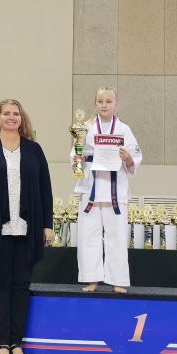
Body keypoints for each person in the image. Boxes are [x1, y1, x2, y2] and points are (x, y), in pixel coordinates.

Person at [0, 99, 54, 354]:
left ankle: (17, 343)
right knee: (0, 284)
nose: (11, 117)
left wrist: (47, 225)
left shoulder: (34, 150)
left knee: (21, 286)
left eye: (15, 113)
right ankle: (2, 344)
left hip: (28, 230)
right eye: (5, 113)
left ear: (21, 119)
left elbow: (45, 189)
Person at [70, 87, 142, 294]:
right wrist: (78, 159)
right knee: (88, 235)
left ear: (116, 104)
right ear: (95, 103)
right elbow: (76, 154)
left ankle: (117, 280)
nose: (104, 105)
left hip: (115, 189)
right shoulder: (85, 128)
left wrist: (128, 159)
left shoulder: (124, 130)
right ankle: (91, 279)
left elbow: (135, 157)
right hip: (90, 187)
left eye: (108, 101)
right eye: (100, 101)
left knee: (116, 236)